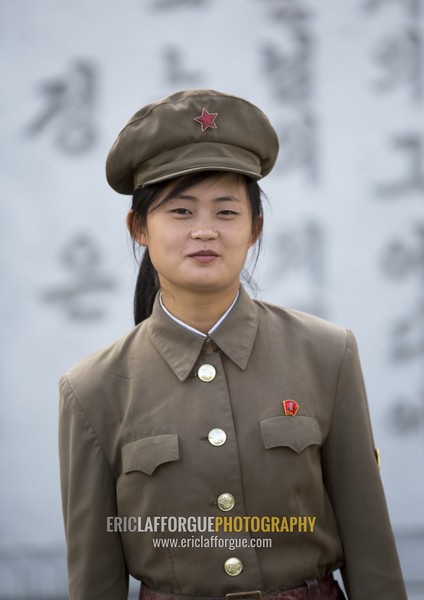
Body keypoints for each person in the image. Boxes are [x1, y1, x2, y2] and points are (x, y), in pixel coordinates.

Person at [58, 89, 407, 600]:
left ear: (255, 228)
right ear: (138, 228)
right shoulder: (92, 389)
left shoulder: (327, 354)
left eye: (226, 212)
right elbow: (94, 579)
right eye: (180, 211)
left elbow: (371, 547)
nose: (205, 231)